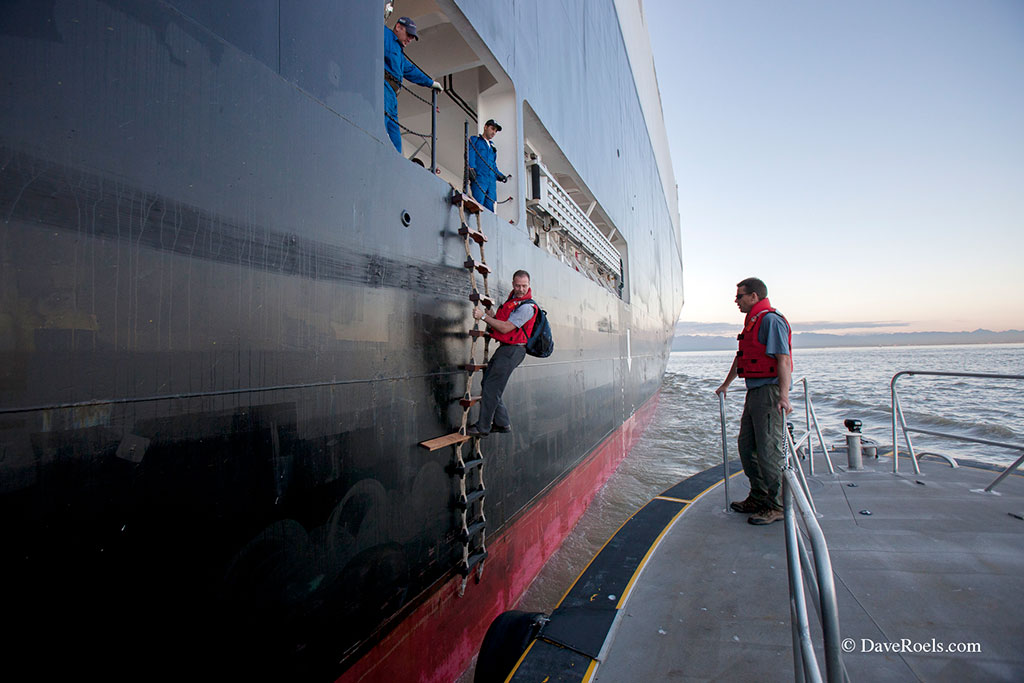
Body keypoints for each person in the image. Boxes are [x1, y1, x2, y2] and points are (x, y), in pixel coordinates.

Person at [715, 277, 793, 525]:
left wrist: (783, 396)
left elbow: (783, 360)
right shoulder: (753, 322)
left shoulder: (771, 320)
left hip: (768, 393)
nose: (736, 301)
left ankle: (777, 505)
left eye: (739, 296)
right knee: (747, 448)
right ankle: (758, 496)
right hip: (754, 392)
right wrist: (727, 384)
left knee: (769, 451)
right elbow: (742, 357)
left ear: (754, 297)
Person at [467, 270, 537, 437]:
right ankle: (502, 423)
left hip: (513, 351)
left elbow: (505, 328)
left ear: (529, 285)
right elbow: (501, 323)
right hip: (506, 349)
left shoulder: (527, 307)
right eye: (518, 285)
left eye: (524, 286)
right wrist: (492, 317)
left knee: (491, 387)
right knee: (488, 384)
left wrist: (483, 316)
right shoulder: (513, 301)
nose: (521, 289)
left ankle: (483, 428)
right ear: (513, 284)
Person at [384, 17, 442, 153]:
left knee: (395, 141)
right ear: (398, 27)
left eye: (412, 37)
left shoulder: (399, 51)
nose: (410, 39)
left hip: (392, 96)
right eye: (408, 34)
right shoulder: (385, 35)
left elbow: (410, 70)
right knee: (383, 128)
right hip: (384, 87)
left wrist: (431, 83)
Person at [467, 119, 509, 211]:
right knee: (477, 205)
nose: (494, 132)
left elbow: (493, 165)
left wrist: (500, 175)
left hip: (491, 182)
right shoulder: (475, 140)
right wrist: (471, 168)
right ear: (485, 127)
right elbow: (470, 154)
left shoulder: (492, 147)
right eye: (492, 128)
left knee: (490, 210)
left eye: (495, 131)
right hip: (480, 177)